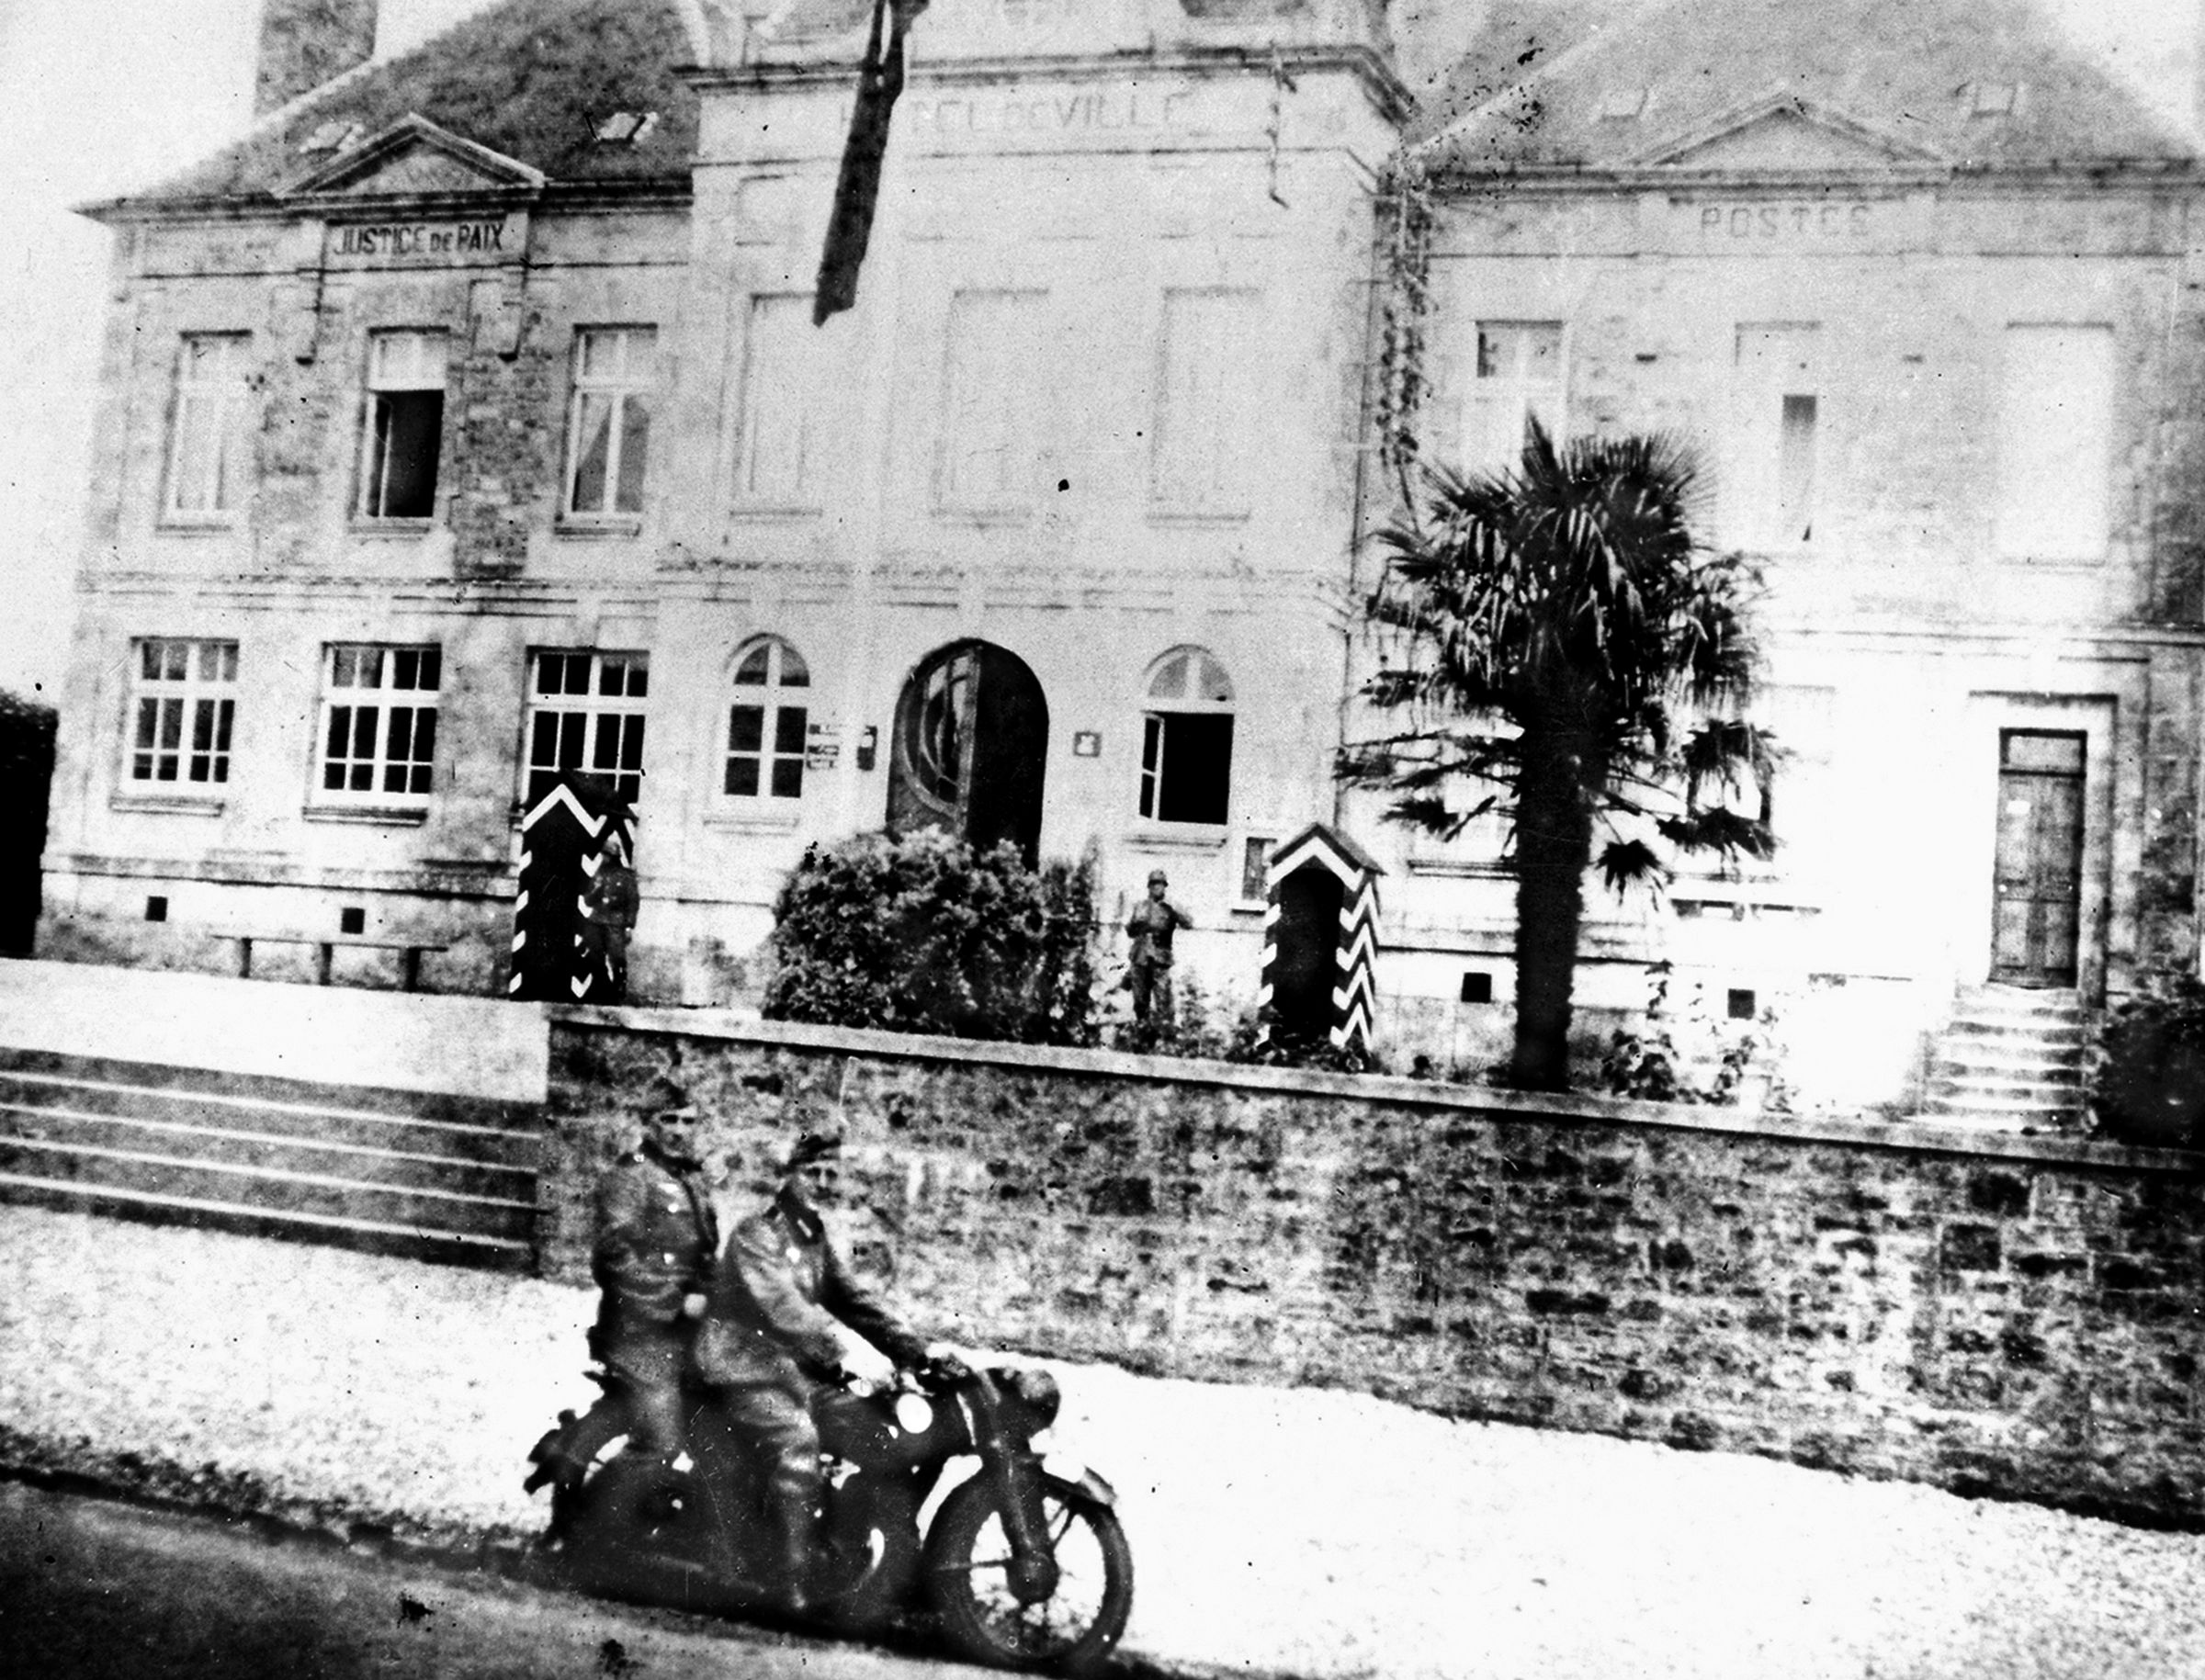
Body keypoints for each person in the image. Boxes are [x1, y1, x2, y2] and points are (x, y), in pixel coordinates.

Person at [695, 1128, 938, 1613]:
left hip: (794, 1370)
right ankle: (792, 1578)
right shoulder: (756, 1235)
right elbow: (784, 1309)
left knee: (872, 1422)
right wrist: (846, 1355)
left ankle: (872, 1554)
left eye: (833, 1173)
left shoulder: (813, 1239)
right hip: (744, 1367)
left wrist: (917, 1353)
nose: (824, 1182)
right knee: (797, 1441)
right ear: (789, 1177)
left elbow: (856, 1301)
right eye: (814, 1172)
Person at [590, 1076, 719, 1458]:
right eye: (669, 1119)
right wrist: (675, 1302)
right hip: (641, 1332)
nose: (680, 1130)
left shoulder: (691, 1178)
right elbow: (613, 1257)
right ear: (648, 1123)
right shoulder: (630, 1177)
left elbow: (707, 1252)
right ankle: (597, 1516)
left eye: (688, 1121)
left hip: (692, 1327)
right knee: (662, 1441)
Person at [1125, 868, 1193, 1027]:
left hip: (1160, 957)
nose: (1156, 887)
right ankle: (1142, 1032)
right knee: (1140, 998)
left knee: (1163, 998)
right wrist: (1135, 924)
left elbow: (1189, 923)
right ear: (1148, 886)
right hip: (1140, 956)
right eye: (1153, 884)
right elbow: (1130, 931)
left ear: (1165, 887)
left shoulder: (1170, 907)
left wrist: (1175, 910)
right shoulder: (1140, 906)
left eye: (1160, 884)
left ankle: (1165, 1034)